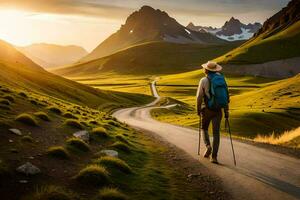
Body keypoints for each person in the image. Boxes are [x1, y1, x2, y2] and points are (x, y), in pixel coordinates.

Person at [196, 61, 229, 164]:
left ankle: (208, 146)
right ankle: (214, 157)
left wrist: (198, 109)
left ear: (206, 70)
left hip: (207, 110)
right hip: (218, 111)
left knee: (204, 129)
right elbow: (226, 96)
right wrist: (226, 111)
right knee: (216, 133)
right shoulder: (222, 80)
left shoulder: (204, 80)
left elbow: (199, 97)